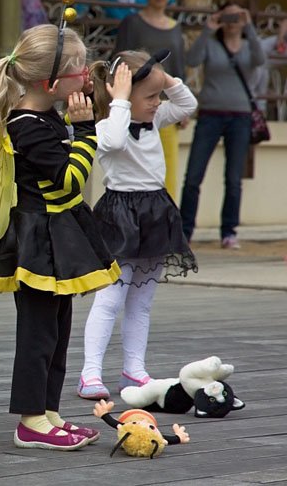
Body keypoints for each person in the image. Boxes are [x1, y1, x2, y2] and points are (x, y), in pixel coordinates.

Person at [0, 23, 119, 450]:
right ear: (51, 82)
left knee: (57, 331)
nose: (86, 76)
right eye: (79, 68)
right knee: (37, 334)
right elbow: (71, 181)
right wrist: (87, 130)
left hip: (58, 236)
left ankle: (49, 411)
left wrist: (77, 124)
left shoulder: (47, 117)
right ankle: (30, 420)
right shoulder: (28, 125)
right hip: (38, 240)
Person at [77, 50, 198, 401]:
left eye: (159, 95)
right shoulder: (106, 126)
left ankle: (134, 369)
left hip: (154, 213)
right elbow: (113, 141)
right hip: (121, 216)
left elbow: (187, 104)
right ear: (123, 95)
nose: (159, 103)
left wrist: (165, 79)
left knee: (141, 302)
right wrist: (119, 101)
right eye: (151, 96)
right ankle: (90, 373)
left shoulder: (152, 120)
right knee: (110, 299)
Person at [180, 2, 265, 249]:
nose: (232, 20)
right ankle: (185, 231)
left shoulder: (250, 45)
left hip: (240, 116)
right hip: (210, 115)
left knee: (233, 178)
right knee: (194, 176)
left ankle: (229, 232)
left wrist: (250, 28)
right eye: (228, 15)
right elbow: (192, 59)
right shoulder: (212, 43)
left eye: (238, 15)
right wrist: (208, 29)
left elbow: (260, 60)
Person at [114, 0, 183, 199]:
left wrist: (182, 107)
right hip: (135, 106)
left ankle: (168, 224)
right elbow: (119, 61)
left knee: (169, 168)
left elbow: (179, 68)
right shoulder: (132, 22)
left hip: (164, 107)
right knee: (136, 168)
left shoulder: (176, 26)